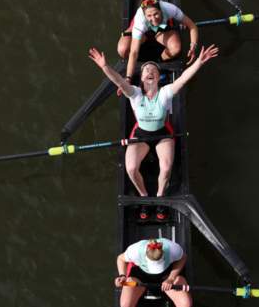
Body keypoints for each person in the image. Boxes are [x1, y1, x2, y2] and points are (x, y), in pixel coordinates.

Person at [88, 45, 218, 219]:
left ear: (158, 78)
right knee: (131, 168)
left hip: (163, 135)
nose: (149, 71)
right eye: (146, 70)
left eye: (153, 70)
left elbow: (182, 79)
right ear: (141, 78)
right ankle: (143, 196)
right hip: (140, 135)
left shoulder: (165, 93)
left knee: (165, 168)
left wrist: (198, 63)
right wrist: (105, 66)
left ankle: (160, 197)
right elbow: (119, 81)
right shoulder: (134, 93)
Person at [117, 0, 199, 95]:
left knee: (176, 48)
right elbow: (133, 52)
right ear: (144, 15)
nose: (153, 18)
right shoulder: (140, 22)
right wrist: (128, 78)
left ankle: (158, 61)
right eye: (149, 16)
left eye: (156, 14)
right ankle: (141, 57)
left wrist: (193, 46)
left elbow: (192, 26)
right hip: (143, 33)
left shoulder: (170, 9)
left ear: (161, 10)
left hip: (161, 29)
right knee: (123, 50)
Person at [115, 238, 191, 307]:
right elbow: (120, 259)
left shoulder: (172, 248)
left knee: (185, 305)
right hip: (141, 277)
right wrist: (122, 276)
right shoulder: (136, 250)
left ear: (163, 254)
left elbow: (183, 257)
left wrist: (171, 278)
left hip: (166, 276)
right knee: (126, 306)